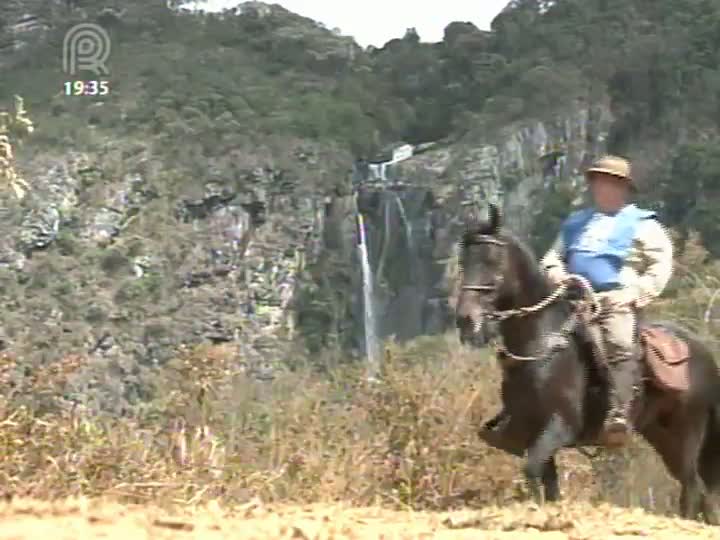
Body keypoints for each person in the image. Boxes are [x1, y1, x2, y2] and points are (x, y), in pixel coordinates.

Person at [540, 155, 674, 445]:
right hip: (570, 298)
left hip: (614, 302)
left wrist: (633, 294)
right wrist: (557, 275)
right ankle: (523, 411)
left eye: (611, 183)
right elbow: (551, 257)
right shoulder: (575, 223)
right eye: (599, 182)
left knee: (619, 342)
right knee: (533, 339)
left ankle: (619, 413)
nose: (603, 188)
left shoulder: (643, 224)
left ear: (624, 188)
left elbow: (661, 265)